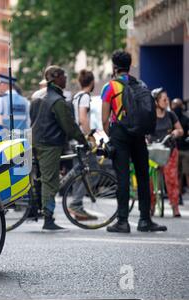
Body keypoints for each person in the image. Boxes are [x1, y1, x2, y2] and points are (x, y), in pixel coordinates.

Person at [101, 50, 167, 233]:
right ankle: (145, 220)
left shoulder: (110, 87)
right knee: (143, 177)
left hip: (120, 134)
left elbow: (105, 119)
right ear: (129, 66)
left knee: (122, 178)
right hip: (139, 135)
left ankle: (123, 221)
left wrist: (111, 137)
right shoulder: (141, 84)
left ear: (114, 67)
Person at [30, 65, 89, 231]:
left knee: (44, 179)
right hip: (49, 144)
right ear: (55, 78)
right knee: (50, 181)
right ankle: (48, 219)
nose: (66, 80)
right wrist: (83, 141)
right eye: (63, 77)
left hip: (37, 141)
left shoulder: (38, 97)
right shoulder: (57, 100)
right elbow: (69, 126)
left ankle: (40, 208)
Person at [68, 69, 98, 221]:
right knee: (94, 170)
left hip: (74, 140)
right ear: (92, 82)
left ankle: (77, 206)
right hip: (81, 141)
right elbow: (82, 119)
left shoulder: (76, 96)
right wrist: (89, 138)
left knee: (79, 173)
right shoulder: (85, 97)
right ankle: (76, 203)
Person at [150, 89, 183, 217]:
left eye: (167, 99)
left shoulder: (171, 115)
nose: (166, 101)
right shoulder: (150, 116)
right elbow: (143, 131)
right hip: (153, 150)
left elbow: (180, 130)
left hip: (169, 150)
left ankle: (175, 206)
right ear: (156, 102)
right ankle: (151, 206)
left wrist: (176, 132)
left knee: (171, 178)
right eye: (164, 99)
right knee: (150, 181)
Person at [171, 98, 189, 205]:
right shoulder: (172, 117)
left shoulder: (184, 118)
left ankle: (179, 196)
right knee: (178, 174)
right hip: (176, 149)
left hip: (184, 149)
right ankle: (178, 196)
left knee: (184, 174)